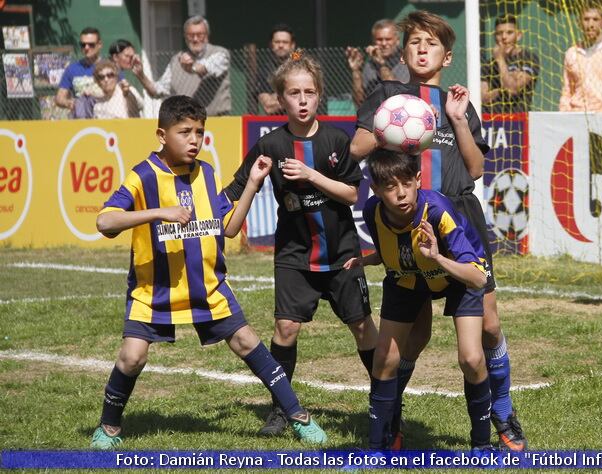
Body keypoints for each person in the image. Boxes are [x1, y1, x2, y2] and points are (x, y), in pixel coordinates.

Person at [89, 95, 327, 450]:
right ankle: (108, 428)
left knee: (247, 341)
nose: (194, 140)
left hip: (208, 287)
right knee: (132, 356)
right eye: (184, 132)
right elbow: (104, 221)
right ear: (161, 134)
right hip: (155, 289)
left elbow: (227, 228)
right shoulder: (143, 175)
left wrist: (252, 184)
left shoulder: (206, 172)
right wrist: (158, 213)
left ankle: (298, 416)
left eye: (199, 132)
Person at [350, 10, 527, 452]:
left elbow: (475, 168)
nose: (422, 48)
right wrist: (387, 122)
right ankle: (391, 417)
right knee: (417, 333)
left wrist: (458, 119)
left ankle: (502, 411)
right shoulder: (386, 93)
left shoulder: (458, 102)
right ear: (404, 52)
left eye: (431, 43)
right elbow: (356, 148)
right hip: (406, 222)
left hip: (459, 218)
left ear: (447, 56)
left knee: (487, 324)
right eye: (414, 42)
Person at [224, 52, 377, 437]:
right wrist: (199, 209)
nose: (303, 100)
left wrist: (310, 174)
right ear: (280, 98)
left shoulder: (336, 140)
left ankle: (384, 402)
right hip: (294, 255)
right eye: (294, 93)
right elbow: (234, 191)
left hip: (343, 254)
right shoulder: (270, 145)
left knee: (362, 327)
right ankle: (281, 409)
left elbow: (351, 195)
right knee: (286, 328)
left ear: (320, 95)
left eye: (310, 92)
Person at [344, 150, 492, 451]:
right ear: (375, 190)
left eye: (407, 184)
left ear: (418, 181)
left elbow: (478, 278)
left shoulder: (437, 212)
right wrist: (370, 259)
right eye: (390, 186)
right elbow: (394, 250)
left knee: (472, 359)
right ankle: (378, 446)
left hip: (458, 277)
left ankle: (482, 445)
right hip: (408, 280)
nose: (400, 193)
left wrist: (437, 256)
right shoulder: (374, 212)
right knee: (385, 358)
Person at [134, 16, 231, 116]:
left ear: (207, 35)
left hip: (217, 121)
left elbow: (207, 68)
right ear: (185, 37)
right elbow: (157, 91)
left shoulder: (220, 53)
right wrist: (141, 75)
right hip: (185, 123)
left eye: (199, 35)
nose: (195, 39)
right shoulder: (176, 60)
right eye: (191, 35)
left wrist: (192, 67)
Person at [481, 14, 541, 114]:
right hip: (491, 121)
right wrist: (503, 87)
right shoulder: (488, 65)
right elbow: (482, 97)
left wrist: (500, 60)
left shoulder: (528, 58)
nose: (504, 37)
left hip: (518, 120)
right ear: (494, 36)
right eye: (499, 33)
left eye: (509, 33)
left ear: (518, 36)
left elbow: (512, 89)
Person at [345, 19, 410, 107]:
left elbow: (398, 95)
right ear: (373, 41)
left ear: (397, 40)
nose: (383, 43)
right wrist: (356, 71)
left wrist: (381, 65)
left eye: (388, 39)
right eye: (379, 39)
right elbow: (359, 101)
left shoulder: (406, 61)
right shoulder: (370, 64)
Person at [56, 27, 115, 117]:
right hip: (80, 118)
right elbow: (59, 98)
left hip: (105, 116)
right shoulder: (72, 69)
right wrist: (69, 103)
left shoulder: (110, 67)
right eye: (83, 45)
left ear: (100, 45)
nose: (86, 48)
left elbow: (120, 92)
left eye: (91, 45)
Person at [256, 23, 297, 115]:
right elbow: (268, 107)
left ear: (292, 45)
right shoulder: (265, 71)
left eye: (285, 42)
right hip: (276, 123)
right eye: (277, 42)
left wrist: (276, 96)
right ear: (271, 44)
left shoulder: (301, 66)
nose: (281, 45)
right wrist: (294, 95)